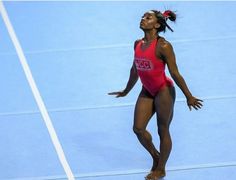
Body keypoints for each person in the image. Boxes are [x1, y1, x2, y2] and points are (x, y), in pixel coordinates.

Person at [108, 9, 203, 180]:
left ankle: (161, 169)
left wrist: (189, 96)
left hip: (163, 91)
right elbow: (135, 69)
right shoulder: (137, 43)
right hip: (147, 90)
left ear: (157, 25)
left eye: (148, 17)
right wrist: (126, 90)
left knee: (162, 130)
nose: (143, 18)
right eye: (143, 16)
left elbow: (175, 73)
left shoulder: (163, 46)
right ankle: (156, 156)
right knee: (138, 128)